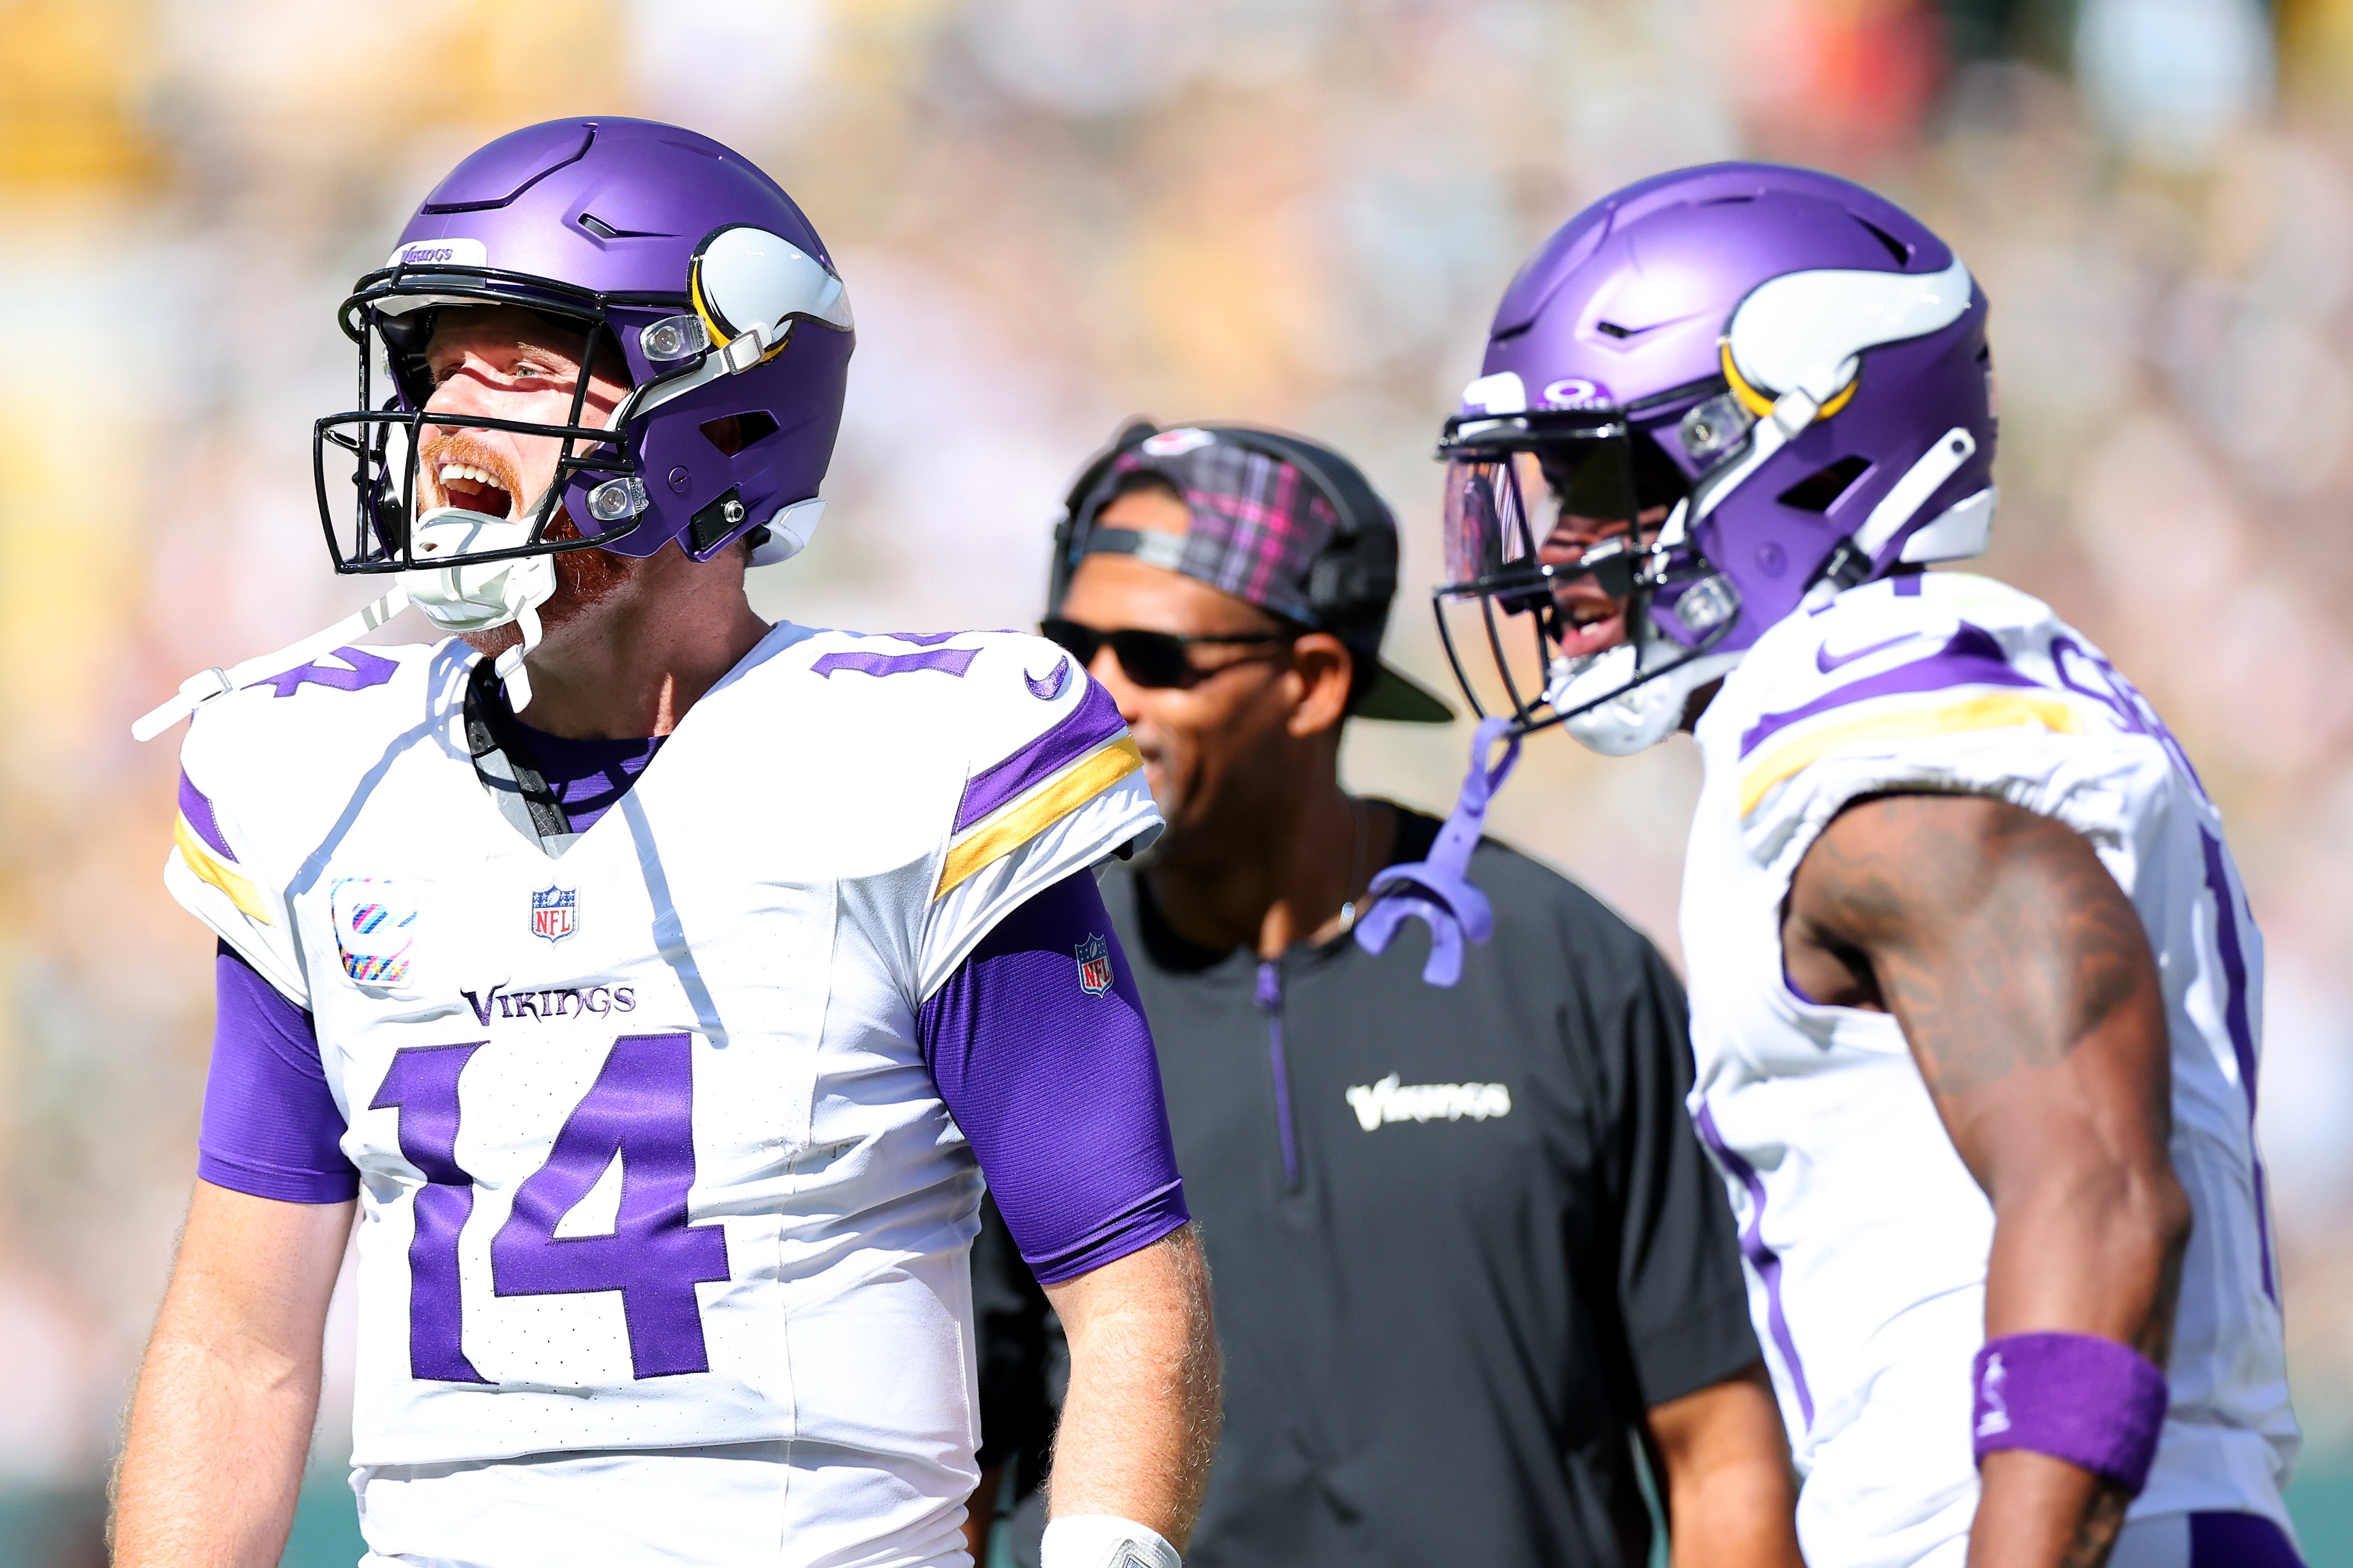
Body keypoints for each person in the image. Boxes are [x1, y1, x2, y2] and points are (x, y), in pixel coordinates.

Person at [112, 119, 1218, 1568]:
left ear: (726, 415)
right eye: (433, 365)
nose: (447, 422)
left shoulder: (916, 761)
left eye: (516, 364)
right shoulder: (315, 771)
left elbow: (1127, 1287)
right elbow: (236, 1345)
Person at [1403, 160, 2303, 1567]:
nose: (1556, 558)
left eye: (1602, 482)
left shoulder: (1878, 740)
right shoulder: (1864, 713)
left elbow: (2101, 1194)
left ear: (1798, 444)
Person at [967, 421, 1804, 1568]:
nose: (1098, 696)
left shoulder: (1571, 968)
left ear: (1312, 684)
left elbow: (1720, 1452)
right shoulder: (1019, 998)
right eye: (1074, 649)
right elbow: (952, 1475)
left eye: (1156, 659)